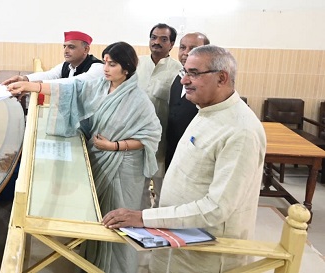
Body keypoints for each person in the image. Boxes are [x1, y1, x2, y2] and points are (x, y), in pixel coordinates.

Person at [102, 45, 266, 273]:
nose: (184, 81)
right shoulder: (206, 111)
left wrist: (145, 217)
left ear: (222, 77)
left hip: (205, 256)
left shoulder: (241, 131)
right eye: (184, 72)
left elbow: (216, 209)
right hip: (174, 240)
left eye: (194, 73)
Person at [7, 42, 161, 273]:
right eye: (106, 62)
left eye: (113, 64)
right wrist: (31, 86)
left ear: (127, 68)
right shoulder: (100, 85)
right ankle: (91, 264)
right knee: (99, 218)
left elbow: (151, 135)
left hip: (123, 167)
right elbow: (72, 88)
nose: (106, 68)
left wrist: (115, 145)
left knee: (118, 220)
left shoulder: (139, 100)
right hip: (100, 156)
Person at [137, 23, 182, 204]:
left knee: (163, 188)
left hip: (163, 140)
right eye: (154, 37)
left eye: (163, 39)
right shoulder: (137, 64)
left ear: (171, 44)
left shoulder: (178, 71)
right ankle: (140, 224)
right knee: (138, 188)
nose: (157, 42)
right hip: (137, 137)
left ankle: (161, 226)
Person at [165, 32, 210, 170]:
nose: (186, 53)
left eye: (193, 48)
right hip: (173, 149)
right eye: (182, 47)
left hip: (196, 155)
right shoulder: (178, 78)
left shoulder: (209, 83)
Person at [2, 31, 103, 85]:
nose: (66, 51)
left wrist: (36, 85)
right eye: (64, 47)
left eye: (71, 47)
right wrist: (25, 79)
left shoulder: (97, 67)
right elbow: (50, 75)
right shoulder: (67, 65)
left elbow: (75, 82)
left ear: (86, 49)